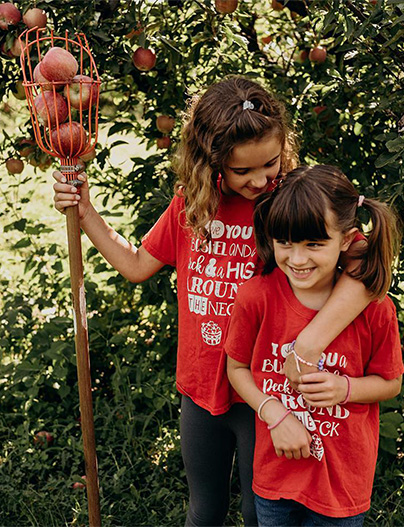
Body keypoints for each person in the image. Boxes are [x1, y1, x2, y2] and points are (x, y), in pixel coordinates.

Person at [51, 78, 372, 526]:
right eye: (244, 171)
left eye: (271, 164)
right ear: (213, 162)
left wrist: (311, 343)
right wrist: (84, 211)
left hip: (267, 387)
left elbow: (367, 267)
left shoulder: (291, 202)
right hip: (201, 385)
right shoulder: (193, 207)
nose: (261, 179)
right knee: (205, 509)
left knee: (257, 510)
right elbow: (138, 264)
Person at [225, 165, 404, 527]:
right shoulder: (256, 296)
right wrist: (272, 412)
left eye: (314, 244)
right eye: (285, 243)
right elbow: (236, 368)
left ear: (347, 239)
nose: (297, 259)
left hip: (340, 485)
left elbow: (390, 382)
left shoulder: (374, 309)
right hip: (275, 478)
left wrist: (346, 388)